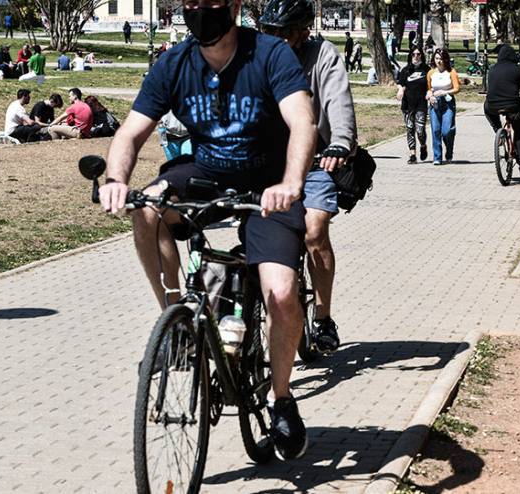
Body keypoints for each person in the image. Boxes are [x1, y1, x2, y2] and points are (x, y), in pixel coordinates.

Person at [98, 0, 316, 462]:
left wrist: (292, 183)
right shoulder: (173, 63)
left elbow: (302, 121)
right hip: (207, 173)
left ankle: (281, 399)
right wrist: (115, 181)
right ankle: (175, 325)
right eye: (190, 3)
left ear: (234, 6)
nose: (200, 11)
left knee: (280, 293)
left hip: (268, 186)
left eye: (211, 3)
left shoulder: (270, 54)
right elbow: (130, 134)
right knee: (148, 207)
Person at [259, 0, 358, 356]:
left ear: (302, 33)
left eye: (283, 32)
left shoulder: (322, 56)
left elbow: (338, 102)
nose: (275, 39)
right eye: (269, 32)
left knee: (315, 231)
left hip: (317, 162)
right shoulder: (259, 57)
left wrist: (341, 143)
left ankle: (323, 316)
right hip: (268, 164)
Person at [484, 44, 520, 178]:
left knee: (487, 109)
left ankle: (499, 131)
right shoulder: (517, 70)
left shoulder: (492, 70)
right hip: (512, 106)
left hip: (492, 106)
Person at [397, 46, 430, 164]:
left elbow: (431, 86)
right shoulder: (405, 71)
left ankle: (423, 146)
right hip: (408, 105)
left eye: (418, 54)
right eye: (413, 55)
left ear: (422, 56)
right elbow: (400, 83)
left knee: (420, 130)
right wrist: (400, 89)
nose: (416, 57)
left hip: (421, 103)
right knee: (410, 128)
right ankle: (412, 155)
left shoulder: (426, 70)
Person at [426, 48, 459, 165]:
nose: (438, 61)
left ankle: (449, 151)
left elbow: (457, 88)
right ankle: (437, 157)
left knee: (446, 131)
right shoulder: (431, 73)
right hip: (435, 103)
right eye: (436, 59)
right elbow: (429, 88)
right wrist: (429, 94)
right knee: (435, 130)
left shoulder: (451, 72)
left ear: (445, 59)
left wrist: (445, 92)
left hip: (448, 102)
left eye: (441, 59)